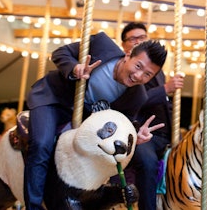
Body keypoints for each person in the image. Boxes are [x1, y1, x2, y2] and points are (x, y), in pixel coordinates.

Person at [24, 31, 168, 210]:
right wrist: (75, 68)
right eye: (138, 66)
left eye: (148, 75)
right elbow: (60, 53)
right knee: (41, 144)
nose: (139, 76)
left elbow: (123, 123)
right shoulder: (102, 44)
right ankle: (33, 206)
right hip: (54, 99)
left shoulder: (137, 96)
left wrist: (135, 136)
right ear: (128, 55)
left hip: (83, 123)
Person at [120, 22, 185, 210]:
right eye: (133, 39)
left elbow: (163, 103)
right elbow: (136, 100)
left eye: (142, 38)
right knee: (148, 165)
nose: (139, 41)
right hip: (141, 133)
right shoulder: (126, 69)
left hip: (163, 133)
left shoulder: (157, 71)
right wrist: (166, 89)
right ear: (125, 46)